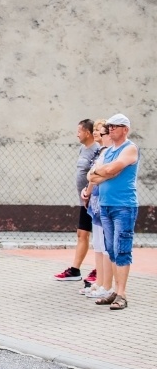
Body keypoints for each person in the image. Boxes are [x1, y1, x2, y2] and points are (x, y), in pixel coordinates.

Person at [87, 113, 140, 310]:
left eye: (115, 126)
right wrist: (105, 173)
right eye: (109, 126)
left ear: (125, 129)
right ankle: (115, 291)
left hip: (124, 206)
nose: (110, 129)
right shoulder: (108, 151)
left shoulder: (130, 148)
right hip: (105, 205)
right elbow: (91, 176)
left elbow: (110, 170)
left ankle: (122, 294)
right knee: (111, 249)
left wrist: (104, 172)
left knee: (122, 249)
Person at [54, 119, 98, 281]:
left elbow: (96, 175)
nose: (77, 134)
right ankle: (75, 270)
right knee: (81, 234)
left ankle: (99, 270)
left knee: (99, 237)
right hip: (84, 202)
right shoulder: (82, 149)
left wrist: (89, 192)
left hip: (94, 200)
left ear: (87, 132)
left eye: (79, 131)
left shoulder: (98, 150)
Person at [79, 120, 114, 299]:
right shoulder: (100, 151)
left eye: (100, 131)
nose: (97, 133)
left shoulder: (109, 152)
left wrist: (90, 185)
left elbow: (96, 175)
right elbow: (91, 175)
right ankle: (100, 282)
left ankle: (106, 285)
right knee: (98, 244)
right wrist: (88, 188)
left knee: (106, 245)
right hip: (95, 201)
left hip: (103, 201)